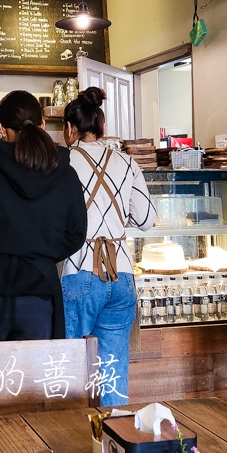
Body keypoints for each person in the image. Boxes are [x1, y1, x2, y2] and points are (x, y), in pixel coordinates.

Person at [0, 90, 87, 341]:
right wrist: (41, 256)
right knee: (36, 367)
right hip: (40, 293)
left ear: (2, 129)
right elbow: (76, 234)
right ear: (42, 124)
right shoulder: (65, 174)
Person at [61, 86, 157, 404]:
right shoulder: (126, 162)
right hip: (121, 274)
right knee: (112, 379)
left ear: (70, 128)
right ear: (102, 127)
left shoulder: (63, 161)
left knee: (68, 370)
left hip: (78, 269)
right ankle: (113, 431)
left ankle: (69, 432)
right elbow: (146, 218)